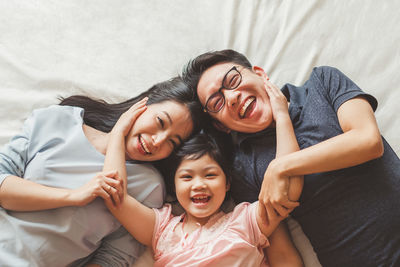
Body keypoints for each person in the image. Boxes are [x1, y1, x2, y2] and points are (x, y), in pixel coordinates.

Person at [181, 49, 400, 266]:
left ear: (260, 74)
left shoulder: (322, 82)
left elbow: (368, 141)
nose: (231, 97)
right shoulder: (244, 168)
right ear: (221, 126)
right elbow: (283, 254)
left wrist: (281, 167)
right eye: (216, 103)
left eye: (233, 79)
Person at [0, 77, 204, 266]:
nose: (158, 141)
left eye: (172, 142)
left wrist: (117, 136)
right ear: (143, 104)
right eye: (160, 122)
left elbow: (114, 258)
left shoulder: (148, 185)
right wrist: (72, 196)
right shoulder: (58, 120)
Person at [100, 91, 304, 266]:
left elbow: (287, 187)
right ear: (174, 185)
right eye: (187, 177)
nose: (199, 185)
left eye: (210, 175)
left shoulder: (245, 222)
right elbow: (115, 194)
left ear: (227, 184)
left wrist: (282, 117)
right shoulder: (162, 230)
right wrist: (118, 132)